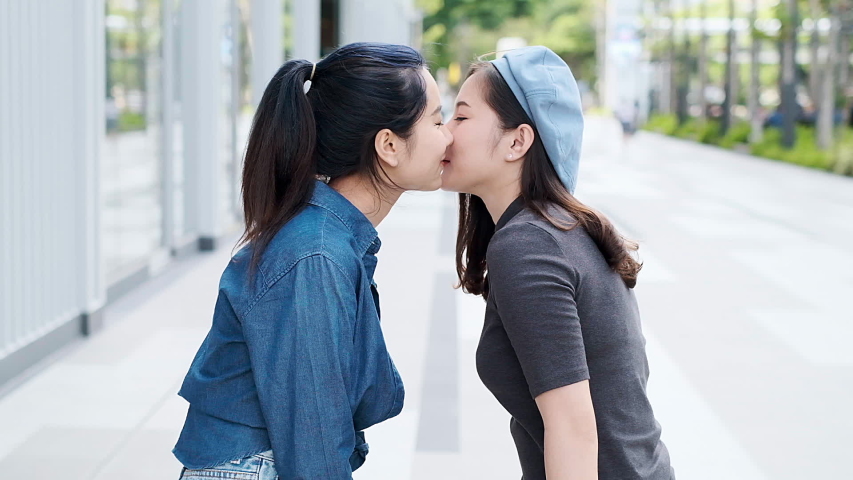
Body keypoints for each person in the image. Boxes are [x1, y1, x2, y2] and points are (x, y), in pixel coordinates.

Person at [173, 42, 453, 479]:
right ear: (389, 146)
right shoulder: (314, 255)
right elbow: (313, 440)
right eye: (437, 120)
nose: (449, 135)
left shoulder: (326, 238)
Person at [440, 46, 673, 479]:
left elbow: (573, 428)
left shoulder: (528, 245)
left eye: (462, 116)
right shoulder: (553, 230)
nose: (445, 132)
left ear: (517, 141)